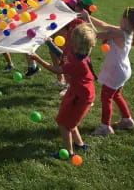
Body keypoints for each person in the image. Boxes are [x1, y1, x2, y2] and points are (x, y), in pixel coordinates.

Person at [29, 23, 97, 158]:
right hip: (77, 92)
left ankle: (69, 152)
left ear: (75, 44)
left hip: (81, 96)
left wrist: (37, 58)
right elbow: (64, 57)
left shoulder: (79, 63)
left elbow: (57, 69)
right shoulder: (78, 53)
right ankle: (79, 144)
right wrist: (50, 43)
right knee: (70, 120)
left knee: (63, 123)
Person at [87, 7, 134, 136]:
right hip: (123, 70)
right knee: (116, 95)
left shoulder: (119, 33)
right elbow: (104, 25)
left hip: (116, 71)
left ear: (126, 20)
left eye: (122, 17)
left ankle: (105, 127)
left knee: (106, 97)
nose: (120, 19)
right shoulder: (125, 31)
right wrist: (86, 16)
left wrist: (85, 19)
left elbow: (95, 34)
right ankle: (127, 120)